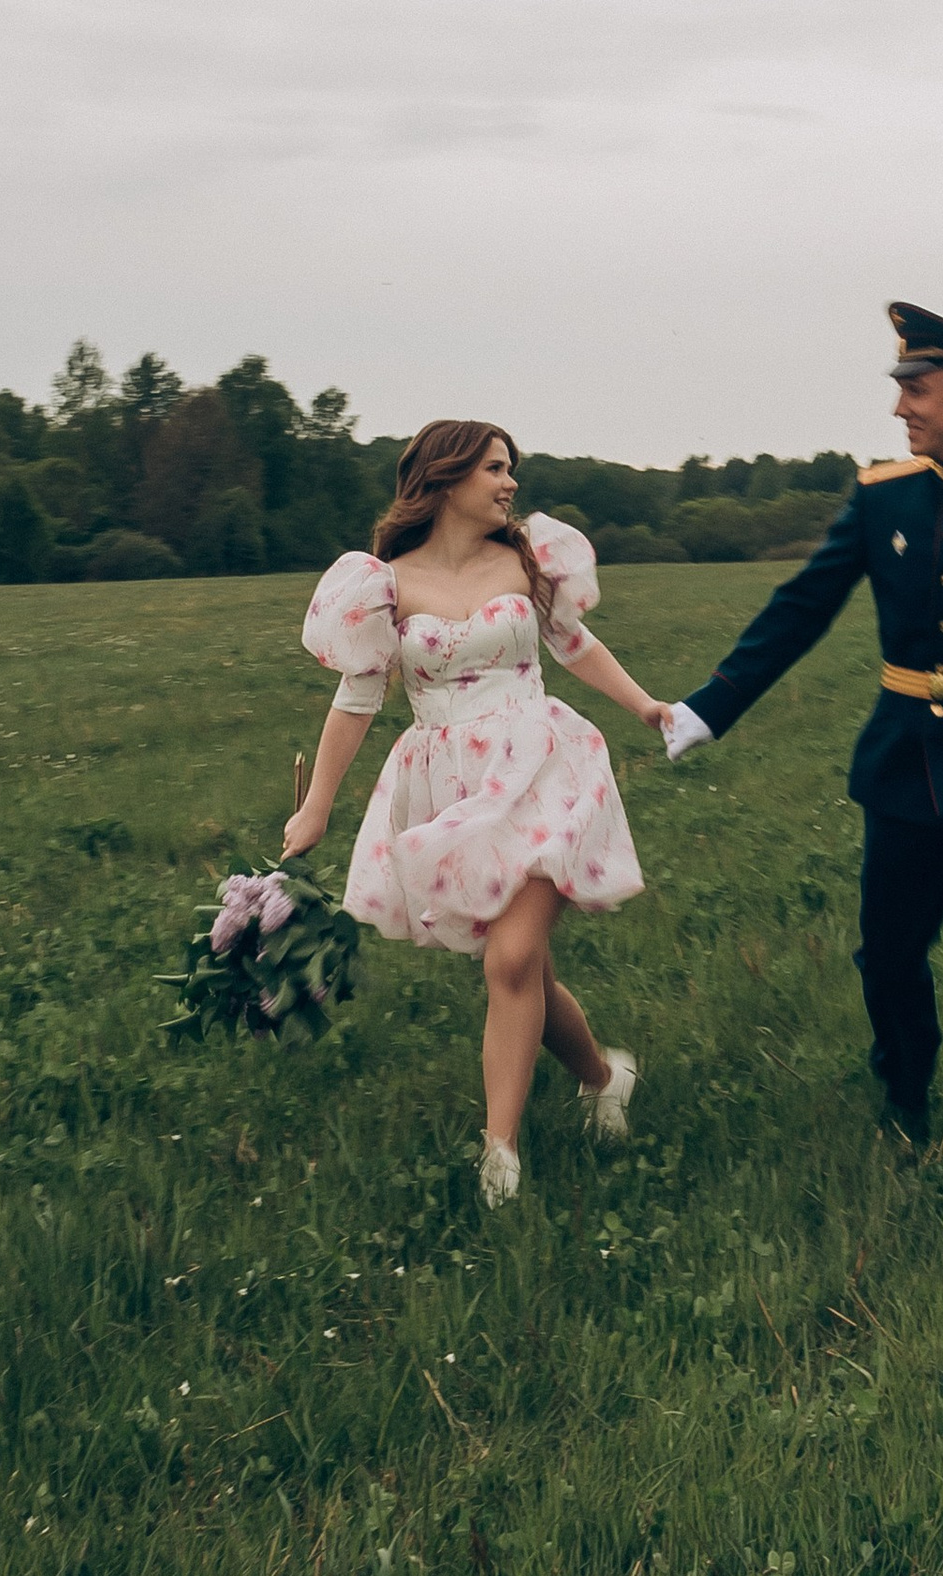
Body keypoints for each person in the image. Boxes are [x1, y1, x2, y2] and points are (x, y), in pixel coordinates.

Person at [662, 303, 943, 1182]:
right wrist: (711, 706)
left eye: (916, 388)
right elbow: (802, 608)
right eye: (902, 388)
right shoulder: (880, 499)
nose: (901, 407)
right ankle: (903, 1085)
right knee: (889, 951)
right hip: (901, 762)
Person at [282, 420, 672, 1206]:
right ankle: (602, 1079)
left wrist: (644, 706)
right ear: (448, 474)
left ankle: (500, 1156)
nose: (510, 482)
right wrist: (317, 807)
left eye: (512, 469)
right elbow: (357, 698)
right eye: (497, 468)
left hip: (543, 766)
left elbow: (574, 643)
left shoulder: (527, 559)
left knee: (509, 959)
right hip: (454, 789)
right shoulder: (385, 583)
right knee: (524, 969)